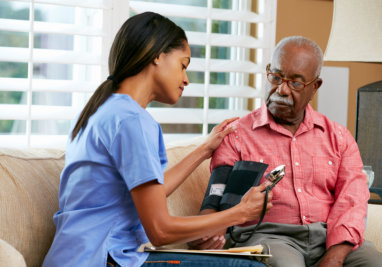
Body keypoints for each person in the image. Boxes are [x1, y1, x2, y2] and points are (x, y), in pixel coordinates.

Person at [42, 12, 272, 267]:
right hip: (104, 259)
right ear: (158, 55)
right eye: (183, 65)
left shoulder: (100, 112)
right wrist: (239, 213)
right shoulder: (132, 121)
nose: (186, 79)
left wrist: (204, 150)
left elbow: (153, 191)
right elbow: (159, 231)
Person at [191, 36, 382, 267]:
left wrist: (335, 257)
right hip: (270, 237)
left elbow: (353, 201)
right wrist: (205, 229)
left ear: (315, 87)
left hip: (330, 238)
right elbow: (214, 199)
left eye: (296, 83)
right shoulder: (237, 135)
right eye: (276, 77)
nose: (282, 90)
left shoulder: (338, 137)